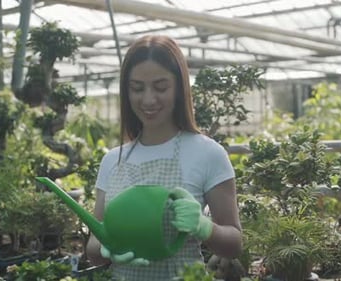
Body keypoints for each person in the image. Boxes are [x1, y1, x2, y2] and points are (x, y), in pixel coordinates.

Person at [85, 35, 242, 281]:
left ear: (179, 87)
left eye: (160, 87)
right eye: (137, 88)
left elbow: (234, 244)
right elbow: (94, 247)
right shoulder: (113, 161)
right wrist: (108, 248)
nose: (148, 99)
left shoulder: (207, 153)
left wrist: (205, 227)